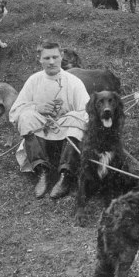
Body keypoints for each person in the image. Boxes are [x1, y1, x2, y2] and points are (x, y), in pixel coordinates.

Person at [10, 41, 90, 200]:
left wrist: (68, 116)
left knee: (78, 119)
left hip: (66, 131)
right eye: (47, 58)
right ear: (39, 59)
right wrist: (36, 108)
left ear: (61, 56)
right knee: (26, 117)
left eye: (55, 57)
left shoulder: (73, 81)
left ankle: (65, 176)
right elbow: (15, 111)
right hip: (43, 130)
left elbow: (87, 111)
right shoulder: (34, 80)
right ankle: (42, 172)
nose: (51, 62)